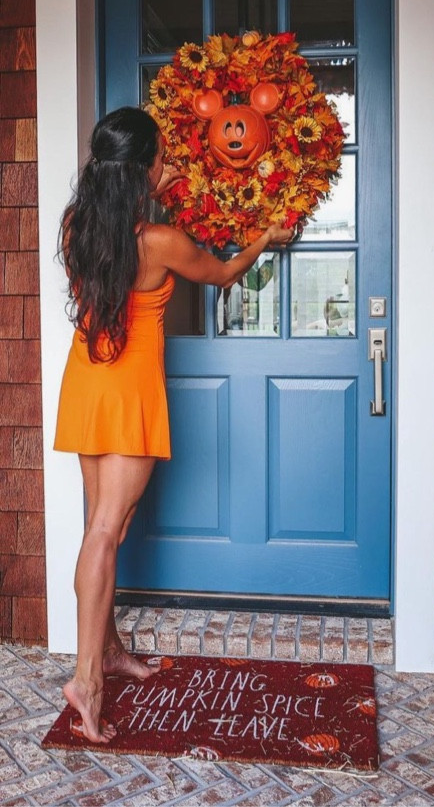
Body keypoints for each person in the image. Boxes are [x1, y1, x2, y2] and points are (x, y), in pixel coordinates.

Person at [53, 106, 294, 743]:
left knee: (106, 524)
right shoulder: (157, 241)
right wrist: (266, 237)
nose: (170, 166)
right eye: (162, 157)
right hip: (128, 388)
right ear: (145, 168)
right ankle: (87, 679)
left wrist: (160, 175)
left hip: (86, 379)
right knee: (107, 530)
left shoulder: (79, 224)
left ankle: (110, 651)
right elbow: (222, 274)